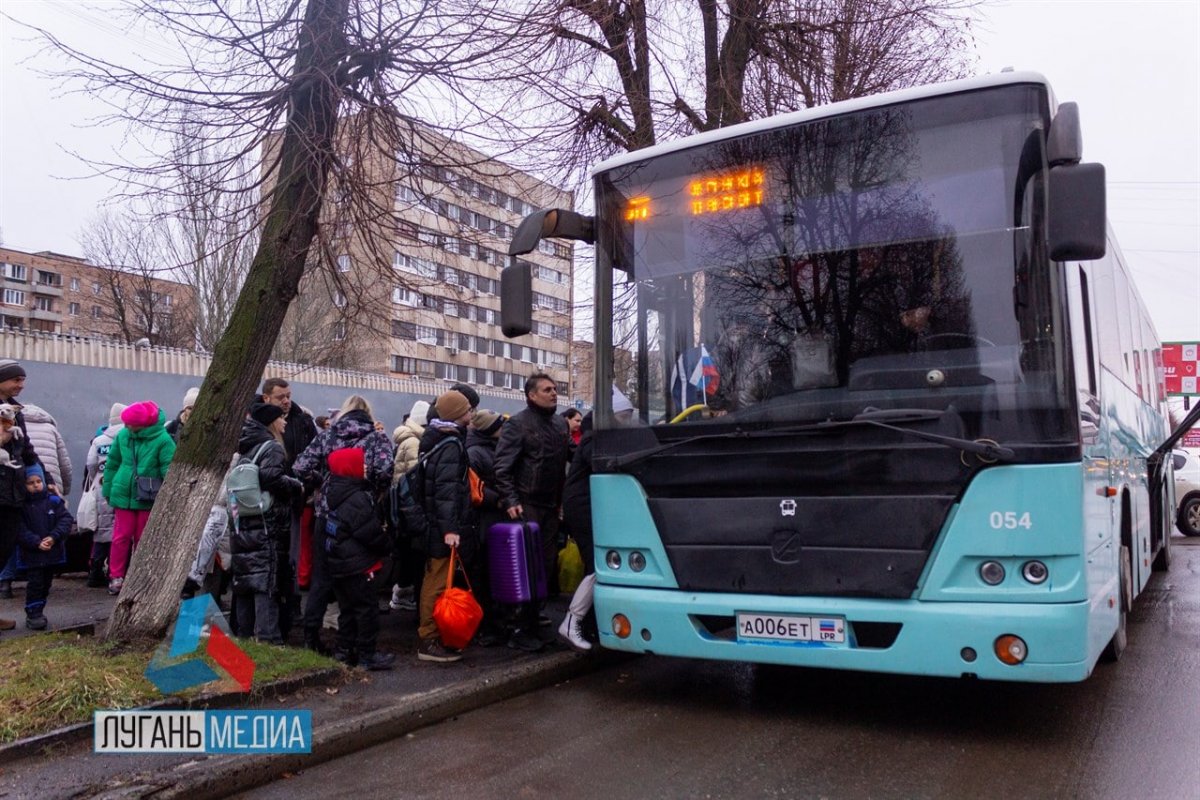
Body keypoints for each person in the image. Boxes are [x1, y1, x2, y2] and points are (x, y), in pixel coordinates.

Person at [293, 395, 393, 654]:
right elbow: (385, 472)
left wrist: (323, 482)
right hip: (360, 514)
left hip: (325, 514)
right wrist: (366, 488)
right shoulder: (376, 438)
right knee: (360, 580)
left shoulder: (328, 436)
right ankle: (360, 645)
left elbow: (300, 467)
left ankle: (310, 636)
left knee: (321, 579)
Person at [493, 372, 570, 651]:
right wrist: (511, 499)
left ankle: (535, 620)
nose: (554, 393)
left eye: (555, 389)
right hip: (526, 504)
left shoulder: (561, 423)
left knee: (545, 566)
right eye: (547, 389)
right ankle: (518, 627)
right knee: (526, 567)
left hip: (550, 506)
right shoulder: (518, 424)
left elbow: (567, 458)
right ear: (531, 395)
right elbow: (502, 467)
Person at [228, 402, 303, 644]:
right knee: (265, 583)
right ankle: (270, 640)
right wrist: (296, 485)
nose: (284, 422)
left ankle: (245, 636)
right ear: (271, 422)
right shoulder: (272, 448)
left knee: (245, 582)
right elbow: (271, 477)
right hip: (267, 524)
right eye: (281, 418)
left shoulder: (245, 447)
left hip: (243, 524)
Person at [416, 389, 475, 663]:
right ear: (457, 414)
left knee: (436, 578)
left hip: (432, 522)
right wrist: (450, 529)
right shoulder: (450, 444)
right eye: (467, 409)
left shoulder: (434, 438)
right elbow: (446, 491)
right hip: (442, 526)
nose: (471, 412)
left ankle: (435, 634)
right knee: (437, 581)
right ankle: (429, 639)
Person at [324, 446, 395, 670]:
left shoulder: (336, 492)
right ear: (350, 468)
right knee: (366, 610)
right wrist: (388, 545)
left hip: (340, 564)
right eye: (360, 463)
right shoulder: (356, 497)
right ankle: (367, 655)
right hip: (358, 564)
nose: (365, 466)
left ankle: (344, 651)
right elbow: (369, 532)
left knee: (348, 610)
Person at [260, 378, 319, 639]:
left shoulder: (301, 419)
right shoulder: (258, 420)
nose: (286, 400)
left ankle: (292, 604)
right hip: (268, 501)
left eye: (288, 395)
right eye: (280, 396)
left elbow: (315, 452)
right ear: (266, 398)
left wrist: (307, 483)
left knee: (293, 553)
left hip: (295, 498)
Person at [101, 400, 176, 595]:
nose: (126, 427)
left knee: (143, 538)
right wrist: (108, 489)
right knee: (121, 537)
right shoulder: (124, 435)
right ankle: (116, 575)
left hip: (148, 496)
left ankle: (138, 575)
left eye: (129, 424)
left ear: (140, 424)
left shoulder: (163, 440)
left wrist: (167, 500)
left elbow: (168, 470)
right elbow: (112, 463)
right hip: (123, 493)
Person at [0, 402, 71, 597]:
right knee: (38, 528)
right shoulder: (50, 428)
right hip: (39, 485)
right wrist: (58, 485)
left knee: (12, 534)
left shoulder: (14, 424)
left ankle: (6, 582)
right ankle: (41, 572)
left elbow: (26, 453)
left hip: (18, 486)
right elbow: (64, 463)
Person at [0, 359, 43, 633]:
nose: (21, 385)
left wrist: (44, 478)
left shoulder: (17, 412)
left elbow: (26, 449)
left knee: (4, 549)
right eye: (16, 379)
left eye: (23, 380)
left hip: (12, 492)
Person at [466, 408, 506, 645]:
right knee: (484, 575)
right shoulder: (475, 452)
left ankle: (496, 622)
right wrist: (498, 498)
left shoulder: (492, 448)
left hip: (494, 518)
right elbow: (474, 490)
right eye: (499, 424)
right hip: (483, 521)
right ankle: (487, 625)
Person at [15, 465, 72, 630]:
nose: (35, 485)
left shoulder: (53, 501)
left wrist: (54, 537)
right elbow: (20, 529)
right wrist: (35, 542)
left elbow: (65, 520)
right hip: (32, 553)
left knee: (46, 582)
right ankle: (33, 612)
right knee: (35, 583)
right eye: (30, 482)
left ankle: (40, 608)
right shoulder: (22, 506)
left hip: (52, 551)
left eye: (38, 481)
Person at [559, 410, 597, 650]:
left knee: (596, 566)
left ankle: (584, 622)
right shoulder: (594, 441)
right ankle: (573, 621)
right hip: (583, 508)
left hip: (582, 506)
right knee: (598, 567)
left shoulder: (588, 440)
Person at [388, 398, 429, 612]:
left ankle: (402, 592)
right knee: (411, 557)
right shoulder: (415, 442)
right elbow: (415, 479)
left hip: (401, 510)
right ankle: (403, 594)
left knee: (405, 556)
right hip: (410, 511)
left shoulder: (405, 438)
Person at [82, 403, 125, 588]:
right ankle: (115, 573)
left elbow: (91, 466)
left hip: (102, 489)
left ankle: (95, 571)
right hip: (123, 490)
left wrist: (99, 480)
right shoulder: (128, 438)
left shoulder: (99, 441)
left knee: (101, 532)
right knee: (121, 533)